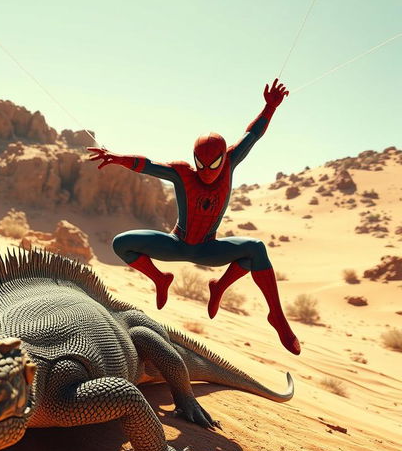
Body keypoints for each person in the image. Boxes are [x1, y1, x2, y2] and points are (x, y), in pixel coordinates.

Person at [88, 79, 300, 355]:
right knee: (121, 243)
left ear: (224, 158)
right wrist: (117, 157)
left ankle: (268, 312)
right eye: (201, 163)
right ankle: (160, 279)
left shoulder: (231, 161)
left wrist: (269, 108)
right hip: (176, 244)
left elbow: (253, 135)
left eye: (214, 163)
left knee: (255, 251)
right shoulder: (182, 173)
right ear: (194, 159)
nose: (207, 169)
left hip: (209, 249)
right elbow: (148, 165)